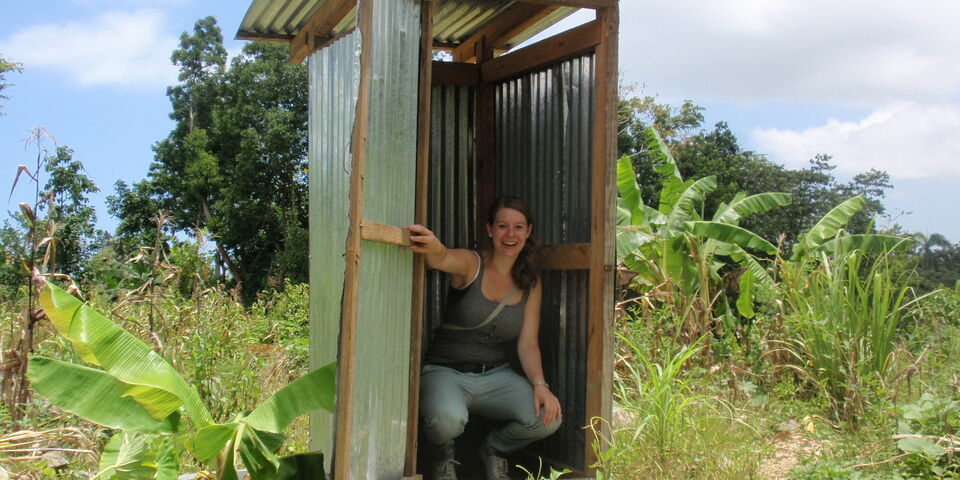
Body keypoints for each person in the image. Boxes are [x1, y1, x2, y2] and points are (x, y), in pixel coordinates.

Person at [405, 197, 562, 480]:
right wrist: (434, 245)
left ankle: (493, 450)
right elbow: (440, 257)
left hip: (495, 376)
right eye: (503, 226)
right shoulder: (471, 262)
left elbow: (527, 343)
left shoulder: (530, 282)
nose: (510, 234)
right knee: (446, 421)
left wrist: (541, 386)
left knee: (547, 418)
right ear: (490, 230)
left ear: (528, 231)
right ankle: (442, 459)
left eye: (518, 227)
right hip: (446, 371)